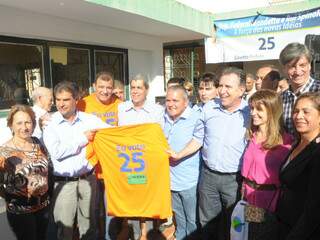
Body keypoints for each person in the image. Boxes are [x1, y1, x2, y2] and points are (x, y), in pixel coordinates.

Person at [169, 67, 250, 240]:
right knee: (207, 223)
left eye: (228, 86)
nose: (222, 90)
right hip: (208, 177)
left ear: (241, 90)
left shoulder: (250, 112)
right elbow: (198, 139)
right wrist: (179, 154)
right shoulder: (208, 108)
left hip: (234, 180)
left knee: (234, 224)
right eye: (220, 85)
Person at [43, 81, 109, 240]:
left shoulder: (90, 120)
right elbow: (57, 152)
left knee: (89, 228)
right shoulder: (50, 124)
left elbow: (112, 133)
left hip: (88, 180)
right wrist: (82, 138)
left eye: (65, 100)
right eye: (58, 100)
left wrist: (144, 133)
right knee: (64, 229)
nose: (60, 104)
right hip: (64, 184)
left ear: (76, 100)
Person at [241, 90, 293, 239]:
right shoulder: (252, 135)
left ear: (271, 111)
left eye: (258, 109)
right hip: (249, 196)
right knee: (249, 234)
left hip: (268, 199)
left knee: (263, 235)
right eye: (251, 108)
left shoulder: (285, 141)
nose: (253, 113)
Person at [118, 74, 165, 240]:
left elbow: (159, 137)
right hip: (130, 165)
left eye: (139, 87)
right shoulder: (121, 108)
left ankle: (150, 234)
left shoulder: (158, 110)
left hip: (149, 165)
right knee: (133, 200)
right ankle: (136, 233)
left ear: (146, 90)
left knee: (148, 201)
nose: (135, 91)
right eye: (133, 87)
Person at [77, 71, 122, 240]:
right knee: (92, 209)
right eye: (101, 87)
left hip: (112, 165)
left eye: (108, 87)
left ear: (113, 88)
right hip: (90, 165)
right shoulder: (83, 103)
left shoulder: (120, 105)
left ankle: (110, 237)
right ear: (94, 86)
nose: (104, 91)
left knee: (111, 207)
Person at [0, 104, 51, 240]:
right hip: (20, 212)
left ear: (34, 124)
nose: (24, 127)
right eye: (19, 123)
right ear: (11, 125)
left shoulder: (38, 144)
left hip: (43, 207)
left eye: (28, 122)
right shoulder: (4, 153)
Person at [277, 92, 320, 239]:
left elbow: (314, 210)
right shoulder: (297, 143)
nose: (298, 116)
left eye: (306, 112)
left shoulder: (317, 152)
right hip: (284, 224)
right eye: (296, 111)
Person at [164, 85, 203, 240]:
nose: (170, 104)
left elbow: (198, 140)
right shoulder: (163, 116)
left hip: (189, 180)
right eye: (167, 100)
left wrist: (179, 154)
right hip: (171, 179)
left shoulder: (195, 117)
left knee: (192, 219)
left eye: (175, 100)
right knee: (178, 216)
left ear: (185, 102)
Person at [280, 42, 320, 135]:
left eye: (302, 65)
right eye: (292, 66)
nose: (297, 72)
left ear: (310, 65)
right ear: (284, 69)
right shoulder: (280, 98)